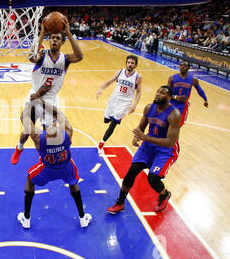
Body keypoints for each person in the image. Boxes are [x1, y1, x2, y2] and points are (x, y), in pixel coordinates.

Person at [11, 15, 83, 164]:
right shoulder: (42, 55)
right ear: (49, 41)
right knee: (27, 128)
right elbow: (31, 56)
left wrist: (68, 32)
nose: (54, 40)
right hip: (34, 96)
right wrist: (42, 32)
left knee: (48, 133)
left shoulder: (66, 59)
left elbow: (80, 56)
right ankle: (19, 148)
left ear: (62, 42)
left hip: (51, 99)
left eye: (57, 38)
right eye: (52, 38)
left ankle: (42, 156)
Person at [17, 100, 92, 229]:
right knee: (73, 182)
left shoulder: (39, 139)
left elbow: (24, 117)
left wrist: (33, 103)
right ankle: (82, 217)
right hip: (66, 167)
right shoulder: (68, 133)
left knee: (30, 178)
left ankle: (26, 218)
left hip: (47, 169)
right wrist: (43, 103)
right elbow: (58, 113)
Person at [107, 85, 181, 214]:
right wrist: (137, 136)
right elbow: (141, 126)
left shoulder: (174, 114)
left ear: (169, 98)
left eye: (162, 93)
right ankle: (120, 203)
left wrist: (145, 137)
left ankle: (164, 195)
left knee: (152, 178)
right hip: (148, 146)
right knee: (131, 172)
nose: (157, 94)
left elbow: (170, 142)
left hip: (165, 150)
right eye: (157, 91)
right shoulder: (148, 108)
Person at [96, 55, 143, 156]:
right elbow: (109, 82)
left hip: (125, 103)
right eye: (129, 62)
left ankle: (101, 143)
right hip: (114, 99)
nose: (130, 64)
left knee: (114, 123)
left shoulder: (138, 77)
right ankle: (111, 119)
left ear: (136, 65)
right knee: (106, 120)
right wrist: (100, 89)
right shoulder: (120, 72)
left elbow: (139, 92)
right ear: (126, 63)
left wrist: (135, 104)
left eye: (132, 63)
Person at [167, 61, 208, 127]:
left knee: (177, 127)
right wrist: (175, 97)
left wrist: (205, 99)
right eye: (181, 65)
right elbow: (167, 93)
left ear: (189, 68)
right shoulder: (172, 78)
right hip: (171, 104)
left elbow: (200, 91)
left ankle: (174, 137)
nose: (183, 66)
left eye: (185, 65)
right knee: (166, 125)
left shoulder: (193, 80)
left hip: (183, 106)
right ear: (179, 67)